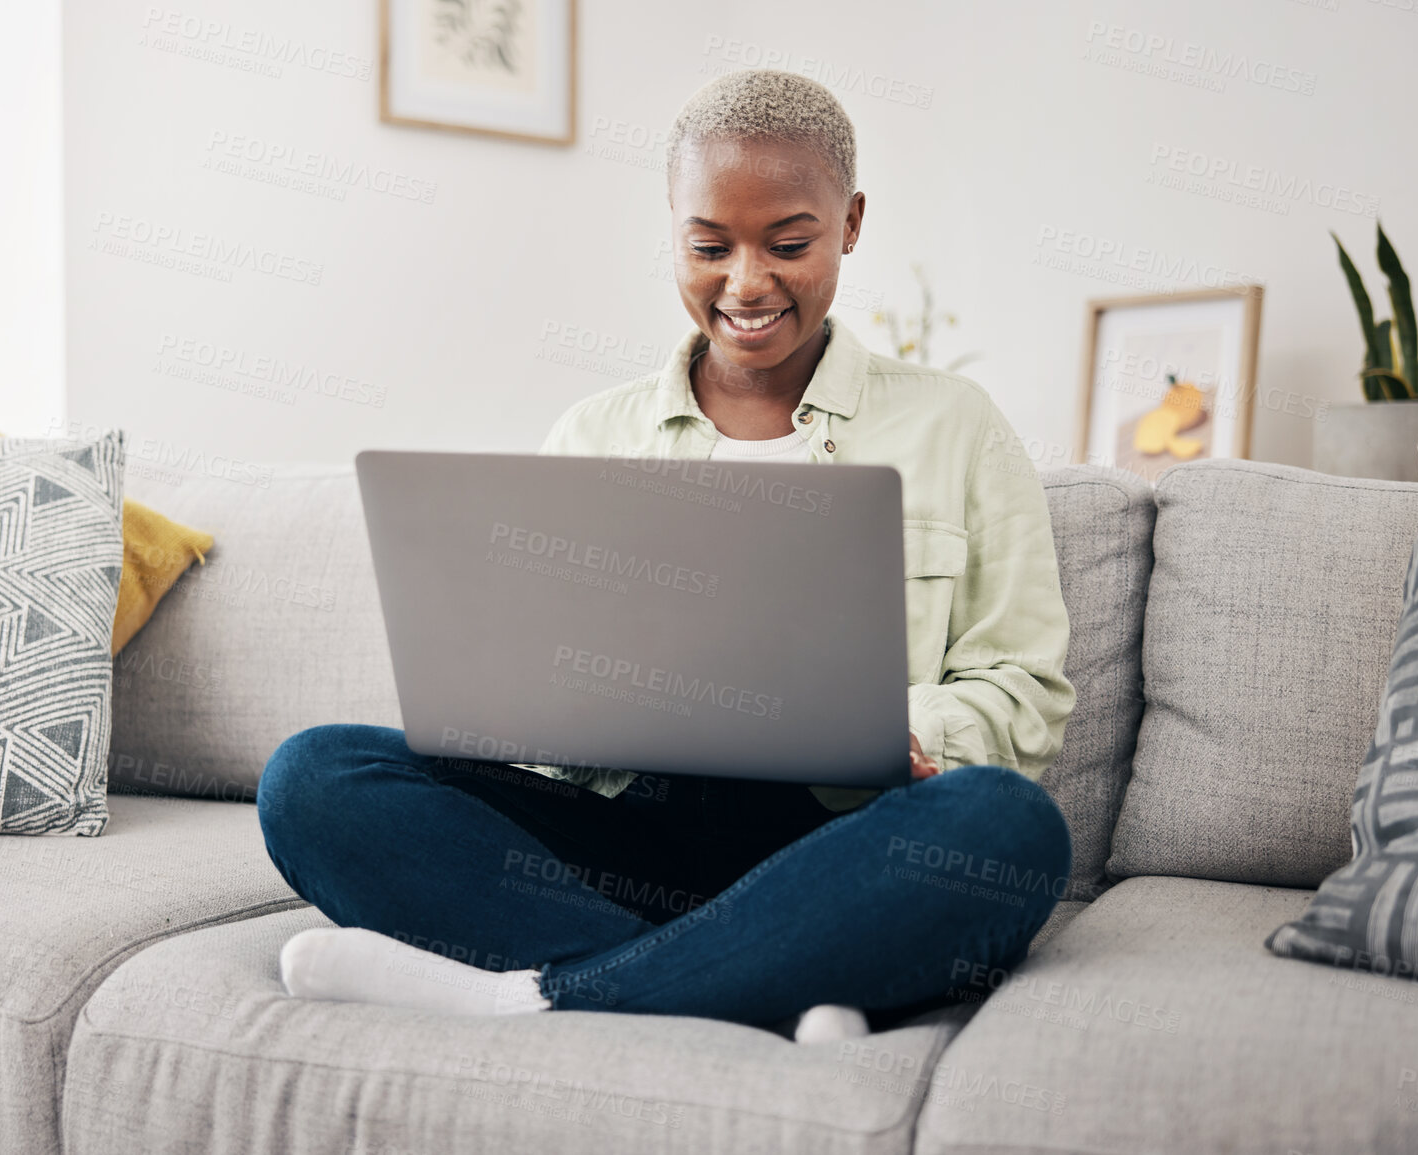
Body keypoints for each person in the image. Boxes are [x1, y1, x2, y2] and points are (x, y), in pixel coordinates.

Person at [256, 69, 1075, 1043]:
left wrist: (899, 730)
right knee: (315, 775)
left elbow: (1024, 692)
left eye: (791, 243)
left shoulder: (956, 427)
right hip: (626, 840)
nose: (747, 282)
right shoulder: (595, 435)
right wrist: (546, 707)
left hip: (843, 842)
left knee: (1010, 828)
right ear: (673, 230)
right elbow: (529, 714)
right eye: (709, 245)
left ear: (850, 225)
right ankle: (763, 976)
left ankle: (540, 993)